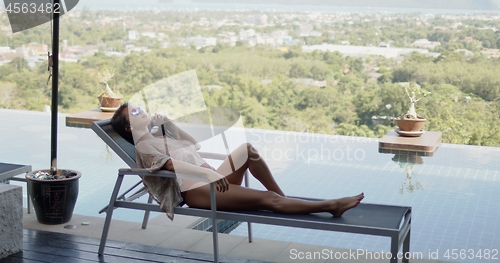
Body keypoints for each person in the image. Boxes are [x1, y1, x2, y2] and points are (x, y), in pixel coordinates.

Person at [111, 102, 364, 220]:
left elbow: (195, 146)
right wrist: (208, 175)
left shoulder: (159, 136)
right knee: (267, 201)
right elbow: (170, 166)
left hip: (212, 179)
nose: (140, 109)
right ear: (129, 127)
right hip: (196, 190)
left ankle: (282, 197)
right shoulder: (144, 147)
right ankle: (331, 206)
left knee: (247, 150)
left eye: (138, 107)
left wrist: (169, 124)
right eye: (134, 112)